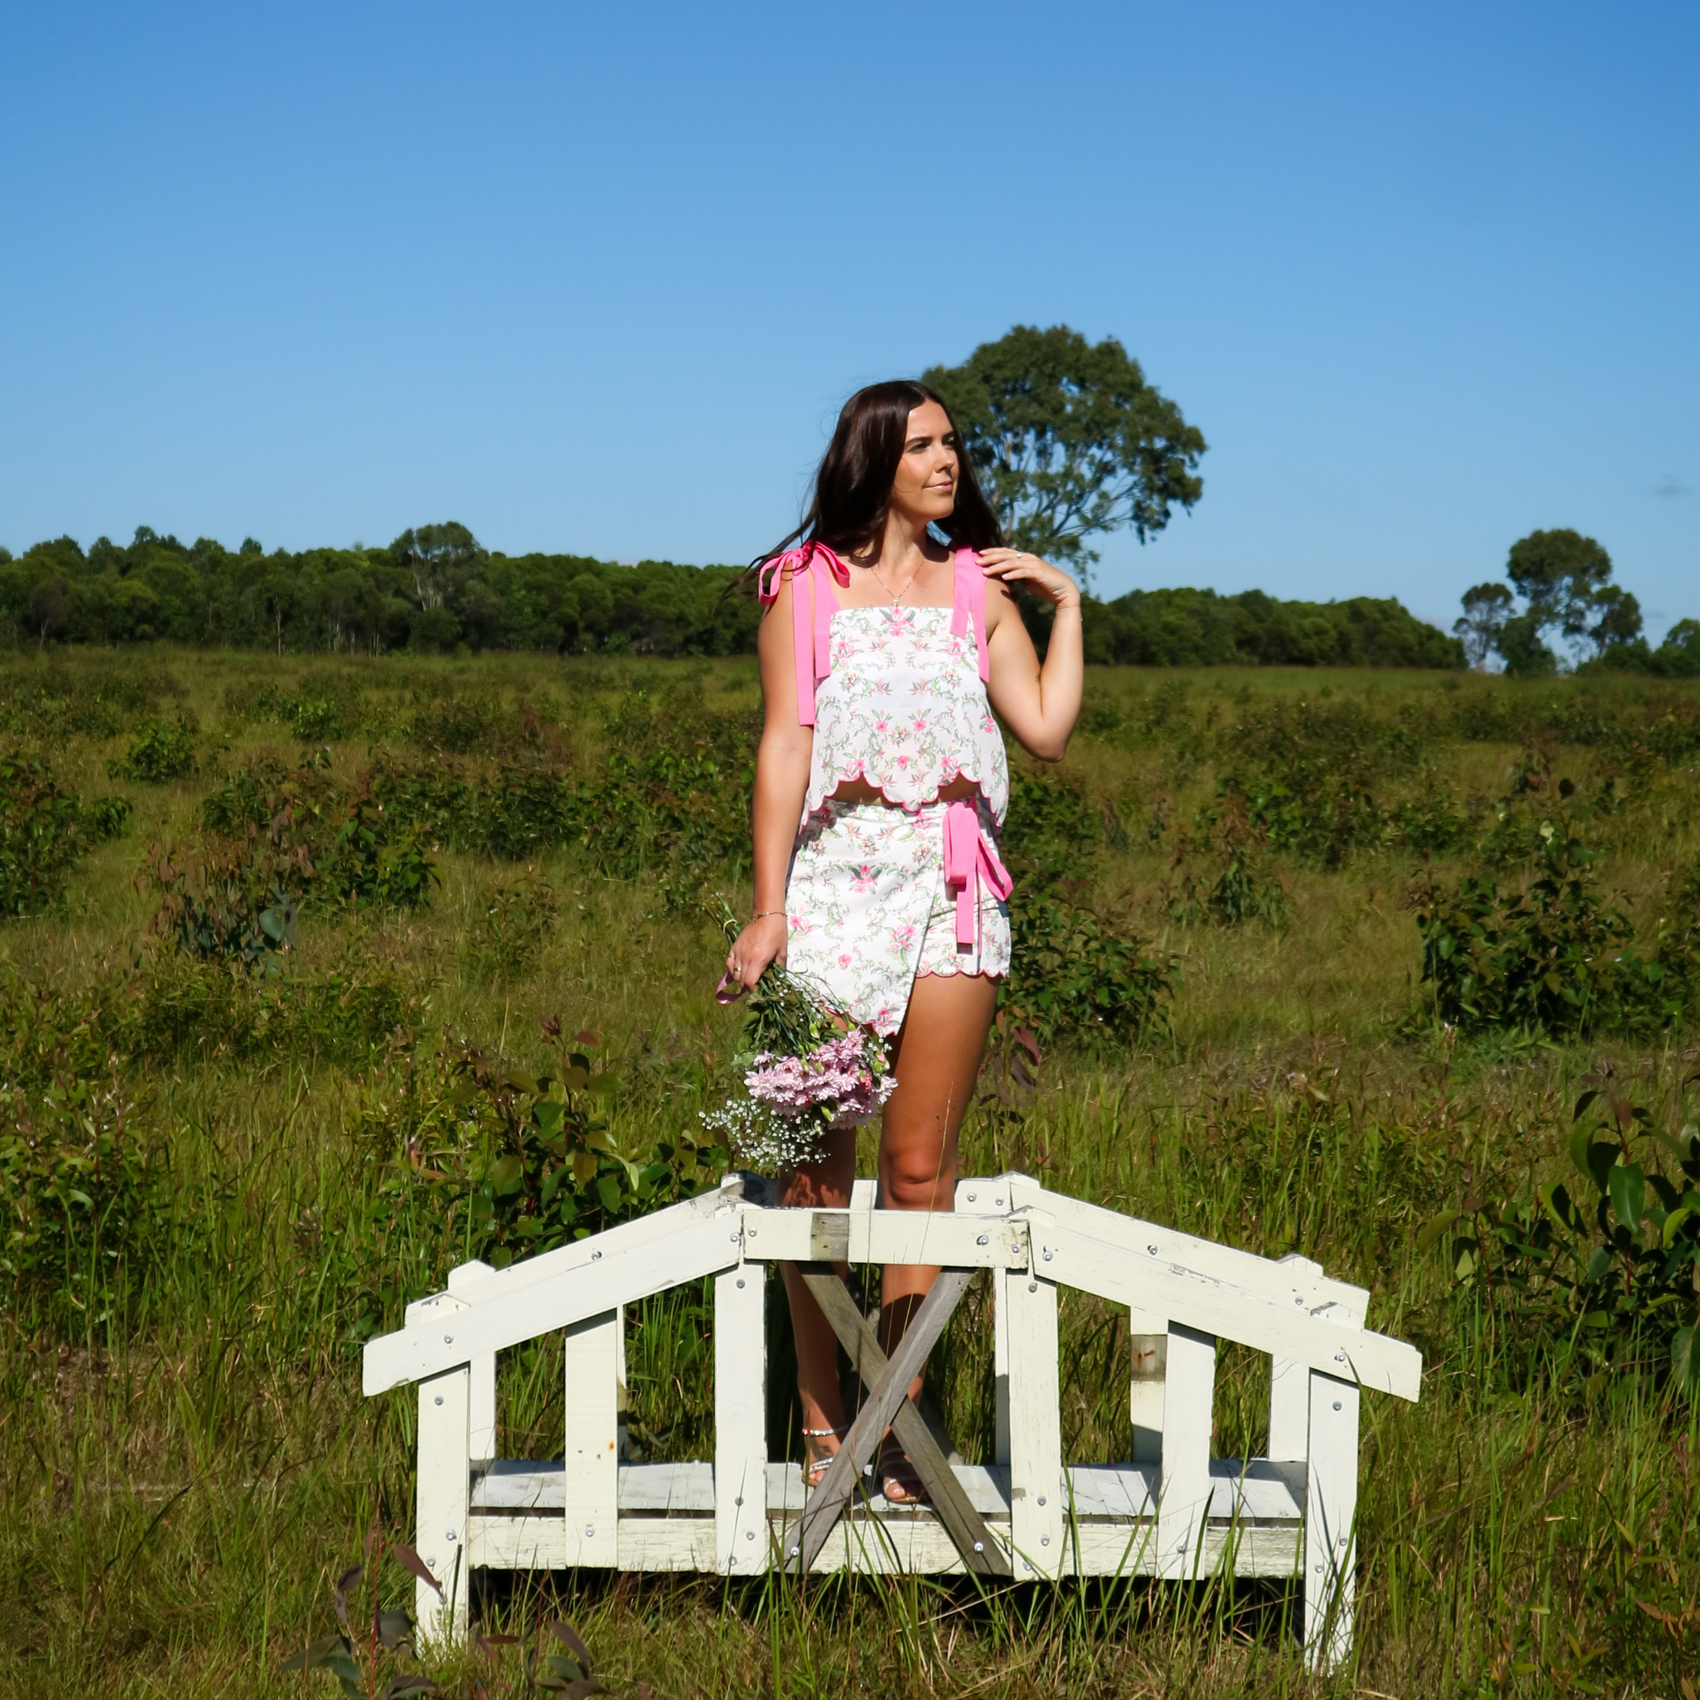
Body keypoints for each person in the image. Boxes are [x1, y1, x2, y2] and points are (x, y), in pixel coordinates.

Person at [719, 379, 1083, 1503]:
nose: (947, 461)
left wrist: (1067, 604)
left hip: (953, 890)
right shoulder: (804, 588)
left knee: (918, 1167)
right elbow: (786, 744)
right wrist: (768, 906)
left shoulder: (978, 587)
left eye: (953, 444)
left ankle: (900, 1430)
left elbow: (1046, 730)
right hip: (832, 889)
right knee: (815, 1173)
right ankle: (825, 1423)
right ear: (872, 457)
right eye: (923, 444)